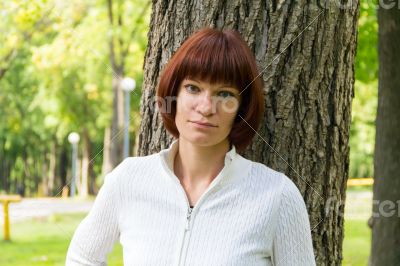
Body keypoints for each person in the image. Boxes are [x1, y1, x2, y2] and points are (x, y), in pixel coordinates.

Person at [66, 28, 316, 266]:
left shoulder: (277, 195)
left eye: (225, 94)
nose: (206, 107)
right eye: (193, 88)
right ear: (173, 95)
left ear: (242, 107)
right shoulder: (128, 180)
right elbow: (82, 257)